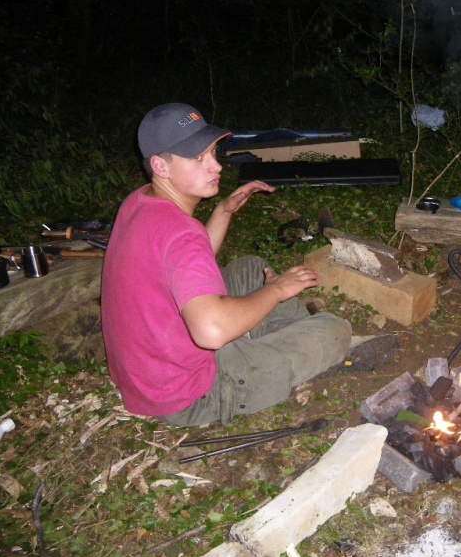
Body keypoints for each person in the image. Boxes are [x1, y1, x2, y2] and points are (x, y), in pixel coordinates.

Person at [101, 103, 358, 427]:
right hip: (188, 394)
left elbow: (182, 265)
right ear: (160, 166)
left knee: (251, 267)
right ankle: (287, 339)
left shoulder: (140, 201)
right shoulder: (180, 231)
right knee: (335, 330)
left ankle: (269, 331)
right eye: (198, 159)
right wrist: (277, 291)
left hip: (147, 370)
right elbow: (211, 332)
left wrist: (222, 212)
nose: (215, 166)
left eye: (213, 152)